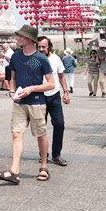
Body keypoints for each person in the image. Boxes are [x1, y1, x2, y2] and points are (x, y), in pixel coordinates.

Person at [0, 25, 54, 185]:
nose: (17, 38)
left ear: (28, 39)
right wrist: (12, 93)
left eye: (20, 36)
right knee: (16, 134)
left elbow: (51, 84)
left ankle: (44, 166)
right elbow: (12, 78)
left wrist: (32, 89)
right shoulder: (15, 57)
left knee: (40, 134)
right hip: (19, 103)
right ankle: (14, 171)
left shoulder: (42, 59)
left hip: (37, 103)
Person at [37, 36, 70, 166]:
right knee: (41, 127)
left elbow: (61, 77)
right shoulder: (34, 59)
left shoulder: (56, 59)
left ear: (49, 47)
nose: (41, 49)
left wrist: (66, 92)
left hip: (54, 95)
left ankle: (56, 154)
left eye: (43, 47)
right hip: (39, 96)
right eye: (39, 47)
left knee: (59, 124)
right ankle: (43, 154)